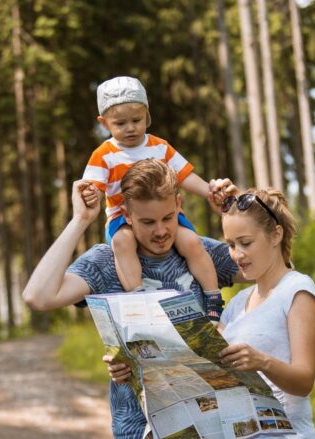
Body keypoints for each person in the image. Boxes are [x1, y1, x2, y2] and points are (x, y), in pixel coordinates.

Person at [23, 159, 240, 439]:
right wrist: (80, 220)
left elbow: (274, 266)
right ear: (125, 213)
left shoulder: (197, 251)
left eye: (168, 218)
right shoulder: (105, 262)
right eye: (147, 222)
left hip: (215, 433)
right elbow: (38, 296)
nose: (160, 231)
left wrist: (237, 208)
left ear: (179, 205)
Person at [79, 75, 225, 321]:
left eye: (136, 120)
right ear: (104, 123)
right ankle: (138, 298)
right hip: (121, 217)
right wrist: (90, 194)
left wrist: (209, 190)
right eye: (120, 123)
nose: (130, 128)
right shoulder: (104, 154)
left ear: (147, 114)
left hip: (164, 215)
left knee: (191, 241)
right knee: (123, 244)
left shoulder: (159, 147)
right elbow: (92, 184)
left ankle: (212, 297)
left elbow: (185, 175)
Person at [217, 189, 315, 439]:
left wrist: (262, 361)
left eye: (246, 243)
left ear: (276, 235)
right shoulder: (237, 304)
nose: (237, 254)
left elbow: (304, 381)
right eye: (231, 245)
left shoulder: (297, 291)